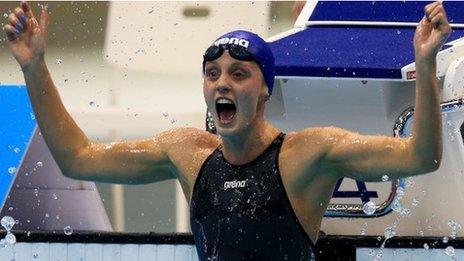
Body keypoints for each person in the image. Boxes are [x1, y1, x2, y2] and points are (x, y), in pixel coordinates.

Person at [3, 1, 450, 260]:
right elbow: (77, 158)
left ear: (265, 92)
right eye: (213, 73)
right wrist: (34, 66)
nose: (222, 82)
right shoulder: (187, 153)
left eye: (239, 74)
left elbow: (421, 156)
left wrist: (426, 64)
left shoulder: (307, 153)